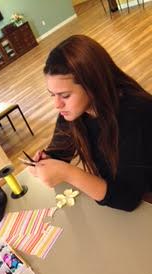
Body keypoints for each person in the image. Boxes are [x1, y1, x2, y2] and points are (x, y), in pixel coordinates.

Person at [29, 35, 152, 212]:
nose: (57, 104)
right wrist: (46, 162)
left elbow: (128, 199)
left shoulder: (135, 114)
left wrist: (67, 173)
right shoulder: (74, 112)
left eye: (64, 96)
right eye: (52, 95)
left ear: (92, 85)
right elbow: (60, 153)